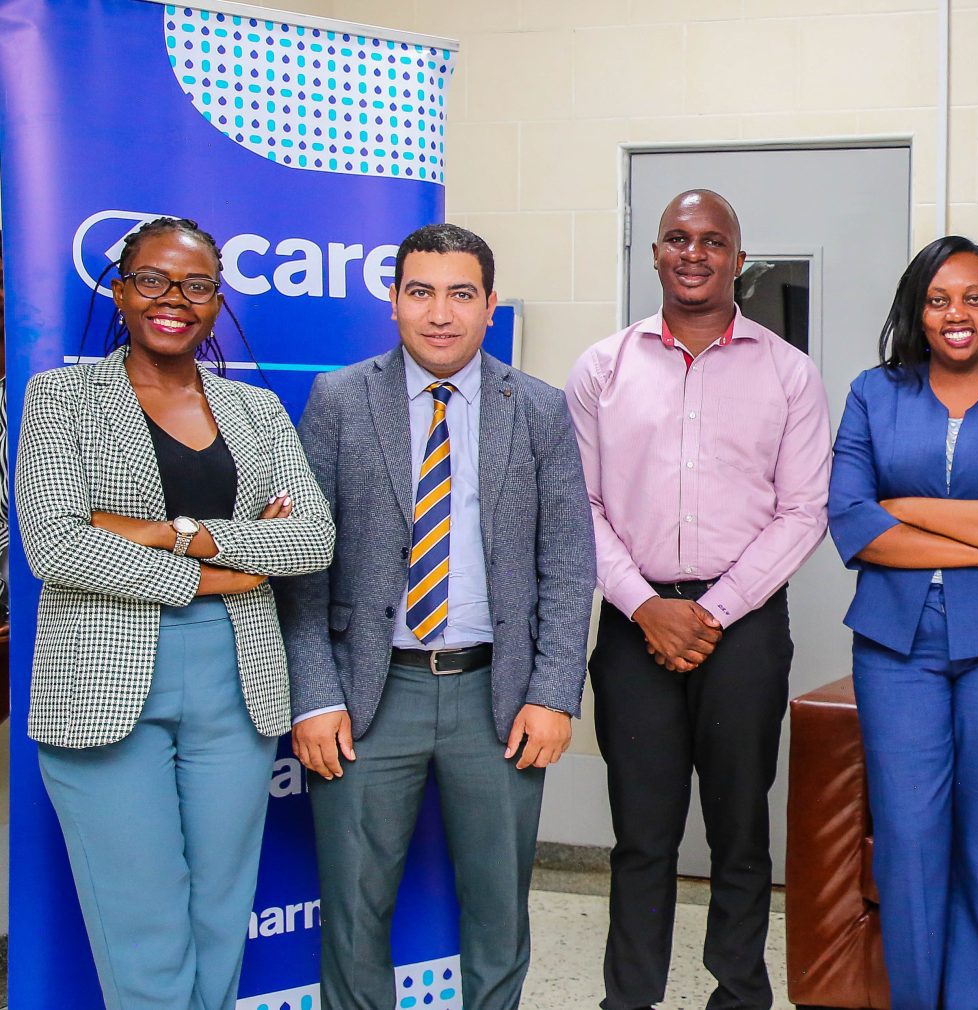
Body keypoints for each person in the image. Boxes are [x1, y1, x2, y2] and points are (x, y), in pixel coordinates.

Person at [16, 216, 334, 1010]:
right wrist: (215, 576)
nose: (173, 300)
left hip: (238, 683)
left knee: (221, 915)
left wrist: (174, 534)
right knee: (143, 927)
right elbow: (56, 545)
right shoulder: (61, 397)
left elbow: (311, 537)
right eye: (153, 280)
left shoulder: (256, 409)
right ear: (121, 292)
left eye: (196, 286)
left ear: (216, 302)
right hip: (103, 684)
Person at [279, 222, 595, 1010]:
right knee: (354, 913)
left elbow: (568, 564)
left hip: (499, 697)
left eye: (461, 294)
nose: (441, 313)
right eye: (420, 292)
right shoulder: (339, 400)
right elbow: (303, 562)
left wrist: (553, 693)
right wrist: (313, 696)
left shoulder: (541, 409)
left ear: (490, 305)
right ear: (393, 301)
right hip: (367, 695)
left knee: (498, 911)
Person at [567, 189, 832, 1010]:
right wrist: (645, 606)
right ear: (655, 254)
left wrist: (712, 611)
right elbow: (580, 508)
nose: (694, 253)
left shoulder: (789, 373)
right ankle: (629, 999)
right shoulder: (601, 369)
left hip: (742, 629)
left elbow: (805, 511)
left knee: (739, 830)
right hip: (632, 624)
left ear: (738, 260)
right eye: (678, 238)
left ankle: (740, 996)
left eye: (712, 241)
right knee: (641, 835)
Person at [827, 236, 978, 1010]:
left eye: (973, 298)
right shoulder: (874, 393)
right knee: (908, 845)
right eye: (938, 300)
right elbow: (853, 522)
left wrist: (906, 509)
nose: (956, 313)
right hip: (896, 649)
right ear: (919, 311)